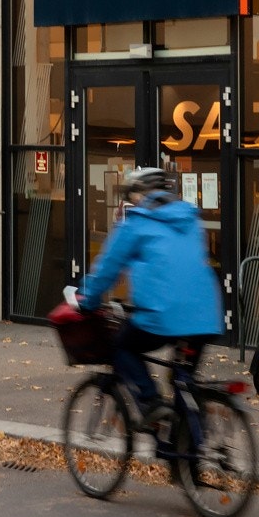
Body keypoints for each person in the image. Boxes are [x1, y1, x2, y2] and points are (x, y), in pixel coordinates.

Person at [76, 166, 223, 429]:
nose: (132, 202)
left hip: (162, 314)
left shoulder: (137, 222)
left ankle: (151, 401)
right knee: (182, 379)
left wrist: (87, 299)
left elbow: (108, 267)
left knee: (122, 347)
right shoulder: (190, 219)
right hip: (206, 316)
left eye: (132, 197)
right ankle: (189, 449)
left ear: (139, 194)